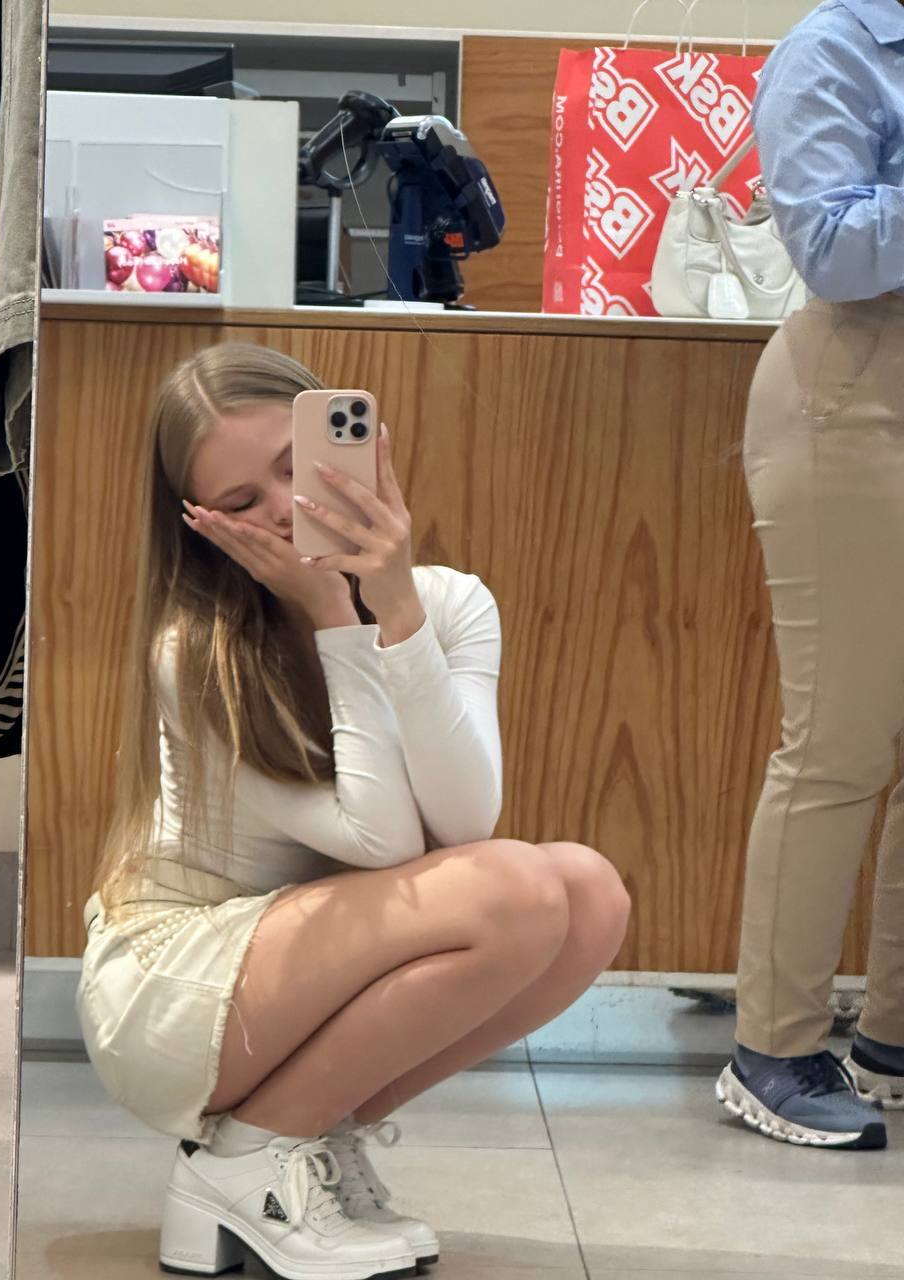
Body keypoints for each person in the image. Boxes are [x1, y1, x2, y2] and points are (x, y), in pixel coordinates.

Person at [76, 342, 631, 1279]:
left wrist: (396, 608)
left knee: (587, 894)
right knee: (518, 891)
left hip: (289, 968)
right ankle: (250, 1162)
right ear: (201, 527)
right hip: (173, 988)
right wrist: (338, 620)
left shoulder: (452, 604)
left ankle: (295, 1138)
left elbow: (465, 823)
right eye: (242, 501)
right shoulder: (198, 652)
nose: (284, 507)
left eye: (299, 465)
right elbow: (385, 843)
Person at [717, 0, 904, 1150]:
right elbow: (830, 247)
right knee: (838, 738)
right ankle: (771, 1048)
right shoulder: (836, 47)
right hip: (858, 392)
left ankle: (890, 1037)